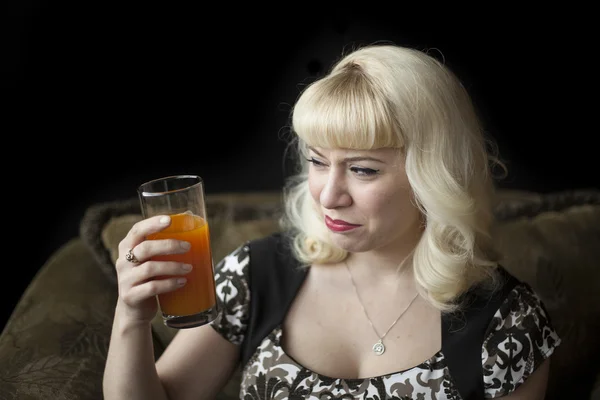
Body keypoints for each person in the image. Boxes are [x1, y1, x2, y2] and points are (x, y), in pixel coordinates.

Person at [103, 42, 561, 400]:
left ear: (434, 175)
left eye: (363, 169)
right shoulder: (255, 275)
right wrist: (130, 319)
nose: (328, 193)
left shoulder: (507, 322)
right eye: (318, 161)